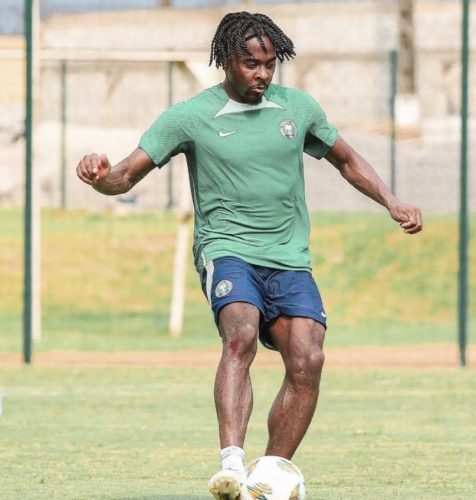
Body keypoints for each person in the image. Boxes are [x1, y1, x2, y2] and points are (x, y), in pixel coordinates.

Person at [76, 11, 423, 500]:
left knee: (309, 357)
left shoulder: (297, 109)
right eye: (250, 64)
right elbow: (125, 176)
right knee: (240, 331)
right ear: (226, 61)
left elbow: (346, 159)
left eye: (269, 64)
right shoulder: (189, 117)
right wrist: (99, 175)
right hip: (227, 248)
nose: (261, 74)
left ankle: (272, 474)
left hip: (289, 256)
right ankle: (232, 466)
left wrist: (392, 200)